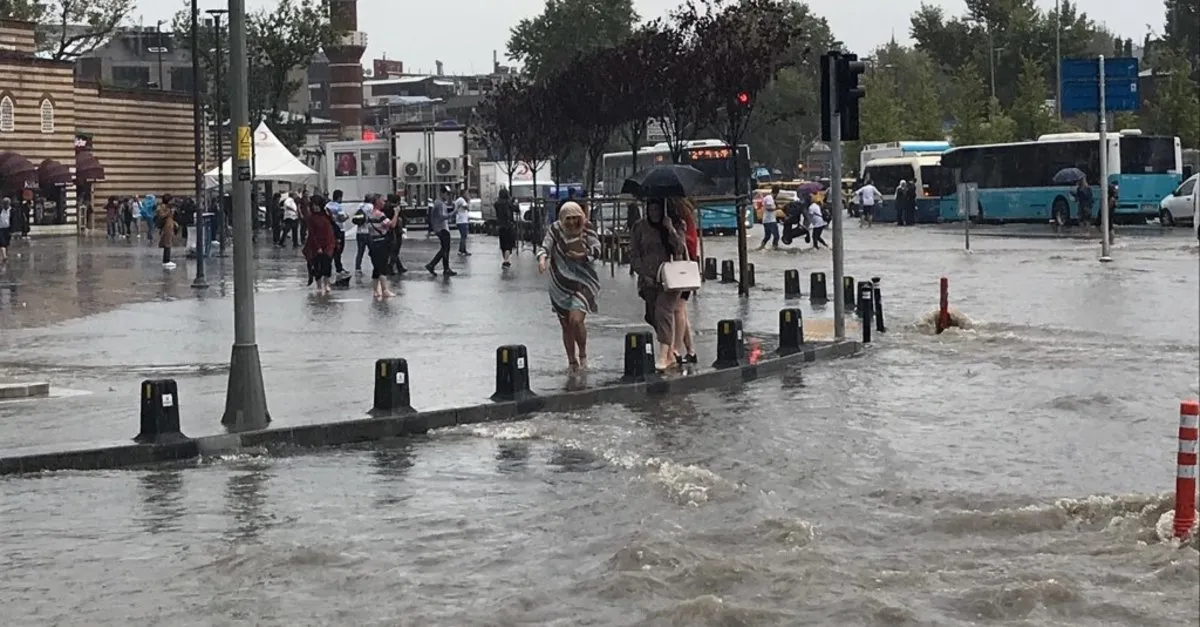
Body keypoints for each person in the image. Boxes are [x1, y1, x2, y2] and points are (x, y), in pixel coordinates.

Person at [537, 201, 600, 373]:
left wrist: (582, 255)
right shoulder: (555, 229)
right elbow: (545, 247)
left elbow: (597, 249)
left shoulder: (588, 228)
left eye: (575, 218)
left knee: (576, 320)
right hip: (560, 283)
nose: (572, 222)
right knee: (566, 325)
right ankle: (572, 361)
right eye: (568, 219)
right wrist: (542, 260)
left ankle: (583, 354)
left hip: (583, 281)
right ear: (562, 219)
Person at [629, 198, 687, 372]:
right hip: (648, 279)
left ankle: (664, 356)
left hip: (670, 279)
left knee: (663, 312)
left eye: (657, 210)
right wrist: (643, 273)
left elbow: (680, 249)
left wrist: (670, 229)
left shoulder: (676, 224)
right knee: (652, 315)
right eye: (651, 209)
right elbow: (633, 253)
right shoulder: (639, 227)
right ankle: (669, 352)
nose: (654, 213)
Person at [669, 197, 699, 365]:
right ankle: (691, 351)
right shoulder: (686, 213)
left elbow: (687, 242)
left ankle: (676, 349)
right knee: (682, 309)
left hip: (682, 267)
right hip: (688, 266)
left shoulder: (680, 218)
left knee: (678, 308)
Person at [364, 194, 396, 299]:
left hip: (372, 242)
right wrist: (396, 213)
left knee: (376, 267)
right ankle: (384, 290)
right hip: (381, 242)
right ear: (377, 202)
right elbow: (391, 224)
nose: (384, 203)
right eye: (382, 201)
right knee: (383, 266)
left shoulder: (369, 214)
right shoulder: (379, 214)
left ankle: (375, 290)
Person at [304, 197, 337, 295]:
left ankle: (326, 284)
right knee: (317, 265)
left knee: (327, 264)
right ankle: (319, 285)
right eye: (313, 205)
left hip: (328, 244)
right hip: (316, 244)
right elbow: (312, 233)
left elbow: (332, 227)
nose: (315, 207)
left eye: (317, 205)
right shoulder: (311, 218)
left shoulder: (326, 216)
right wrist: (317, 246)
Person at [424, 187, 457, 277]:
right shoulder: (439, 204)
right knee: (445, 249)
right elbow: (443, 216)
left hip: (441, 228)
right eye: (447, 194)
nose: (448, 196)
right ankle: (433, 265)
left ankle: (444, 268)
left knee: (445, 249)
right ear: (442, 193)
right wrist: (454, 212)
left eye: (449, 194)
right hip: (442, 229)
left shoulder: (439, 203)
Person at [325, 190, 350, 276]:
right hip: (339, 229)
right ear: (339, 197)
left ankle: (330, 266)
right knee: (339, 249)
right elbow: (341, 218)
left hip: (330, 230)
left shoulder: (328, 205)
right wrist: (347, 217)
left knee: (332, 248)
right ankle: (339, 268)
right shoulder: (338, 206)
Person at [495, 187, 518, 267]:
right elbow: (516, 209)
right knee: (509, 244)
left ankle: (505, 259)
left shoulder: (497, 203)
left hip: (500, 226)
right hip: (509, 225)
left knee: (503, 243)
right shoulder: (509, 203)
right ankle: (506, 260)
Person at [155, 198, 176, 269]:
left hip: (169, 226)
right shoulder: (163, 207)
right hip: (167, 227)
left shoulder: (167, 207)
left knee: (168, 243)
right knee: (167, 242)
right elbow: (161, 215)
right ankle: (166, 260)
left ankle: (166, 260)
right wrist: (169, 211)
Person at [758, 185, 779, 249]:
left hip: (766, 220)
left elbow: (763, 204)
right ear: (777, 192)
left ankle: (761, 247)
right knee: (776, 236)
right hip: (771, 221)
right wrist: (776, 208)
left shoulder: (768, 197)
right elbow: (768, 208)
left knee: (767, 236)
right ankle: (774, 248)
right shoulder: (770, 198)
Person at [454, 188, 471, 256]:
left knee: (464, 236)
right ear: (463, 194)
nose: (468, 195)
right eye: (466, 193)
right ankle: (461, 251)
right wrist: (469, 200)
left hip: (461, 220)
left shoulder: (459, 200)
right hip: (462, 221)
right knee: (463, 236)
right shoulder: (461, 200)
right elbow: (467, 208)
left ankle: (463, 250)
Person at [0, 197, 12, 263]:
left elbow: (13, 220)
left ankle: (5, 255)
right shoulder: (0, 210)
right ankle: (4, 256)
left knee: (6, 244)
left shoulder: (11, 210)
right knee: (2, 243)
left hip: (8, 229)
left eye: (7, 203)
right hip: (0, 229)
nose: (6, 205)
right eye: (5, 203)